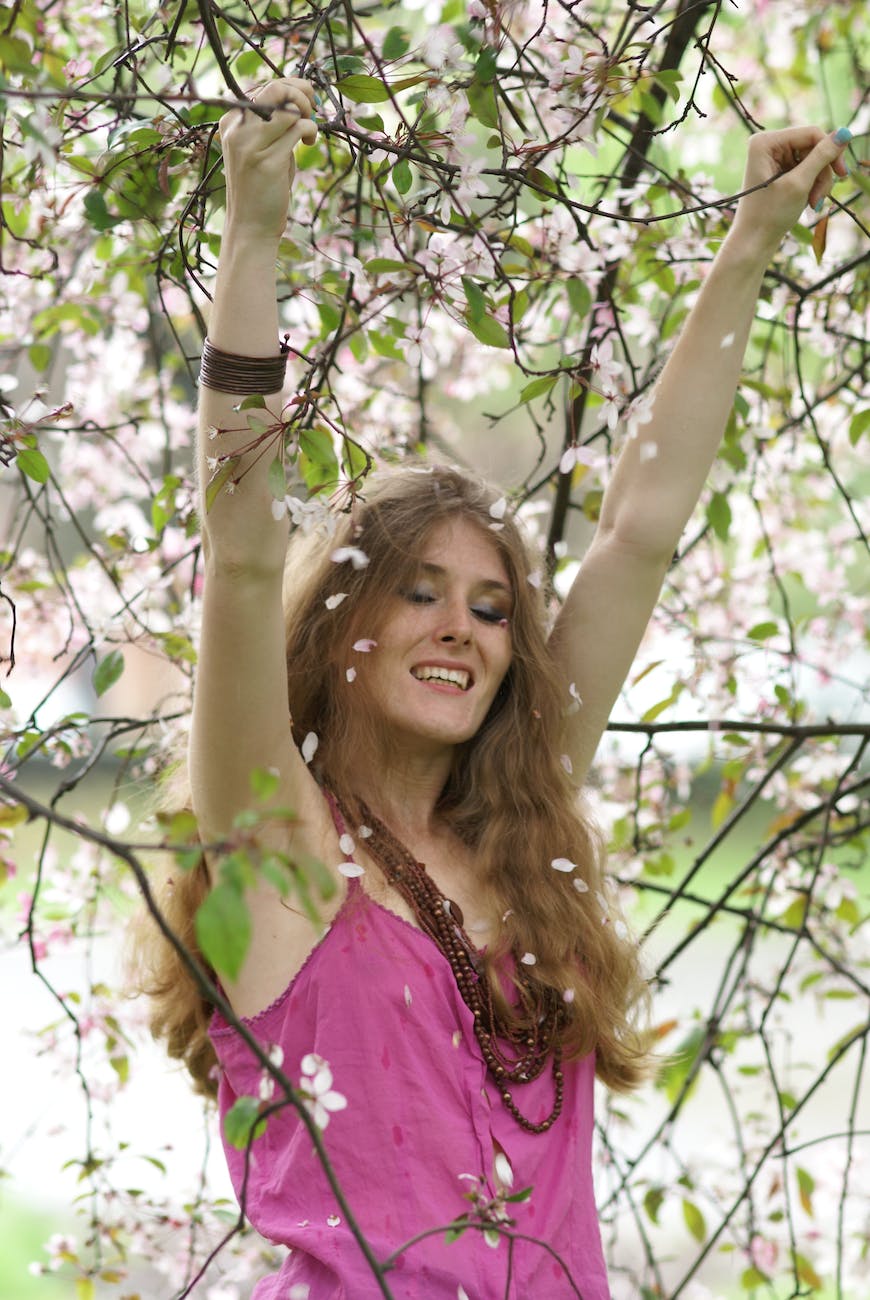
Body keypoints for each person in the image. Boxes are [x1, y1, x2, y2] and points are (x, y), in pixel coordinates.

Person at [140, 75, 851, 1299]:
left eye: (490, 607)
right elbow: (246, 552)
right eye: (417, 591)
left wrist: (752, 243)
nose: (462, 628)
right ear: (340, 626)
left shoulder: (517, 844)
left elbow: (636, 531)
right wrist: (253, 238)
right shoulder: (283, 854)